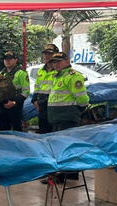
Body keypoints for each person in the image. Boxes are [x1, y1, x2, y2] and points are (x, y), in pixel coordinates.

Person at [48, 52, 90, 182]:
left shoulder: (73, 76)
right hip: (57, 117)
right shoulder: (58, 76)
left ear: (67, 61)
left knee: (66, 146)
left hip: (67, 116)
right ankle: (67, 172)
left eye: (59, 61)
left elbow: (82, 98)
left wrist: (79, 110)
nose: (56, 64)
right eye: (54, 62)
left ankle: (66, 173)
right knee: (60, 146)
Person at [0, 51, 30, 131]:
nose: (7, 61)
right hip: (2, 106)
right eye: (5, 59)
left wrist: (14, 102)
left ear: (15, 60)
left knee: (17, 130)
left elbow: (26, 91)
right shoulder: (1, 73)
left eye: (10, 59)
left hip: (15, 106)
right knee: (3, 131)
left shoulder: (21, 73)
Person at [31, 44, 59, 134]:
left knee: (54, 132)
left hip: (55, 104)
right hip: (42, 104)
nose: (46, 56)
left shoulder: (59, 70)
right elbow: (37, 86)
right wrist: (34, 99)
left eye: (50, 53)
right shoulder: (41, 70)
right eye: (45, 54)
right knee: (43, 130)